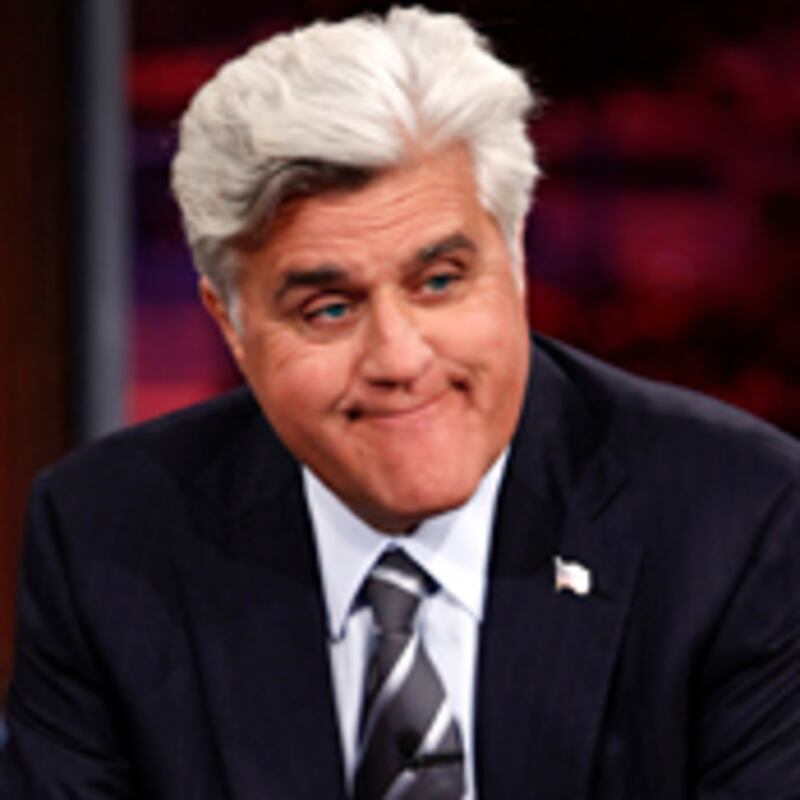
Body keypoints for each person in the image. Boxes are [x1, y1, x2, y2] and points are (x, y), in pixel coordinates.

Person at [1, 6, 798, 799]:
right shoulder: (109, 537)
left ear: (515, 258)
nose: (399, 360)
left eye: (440, 282)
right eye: (329, 310)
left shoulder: (735, 519)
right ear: (231, 323)